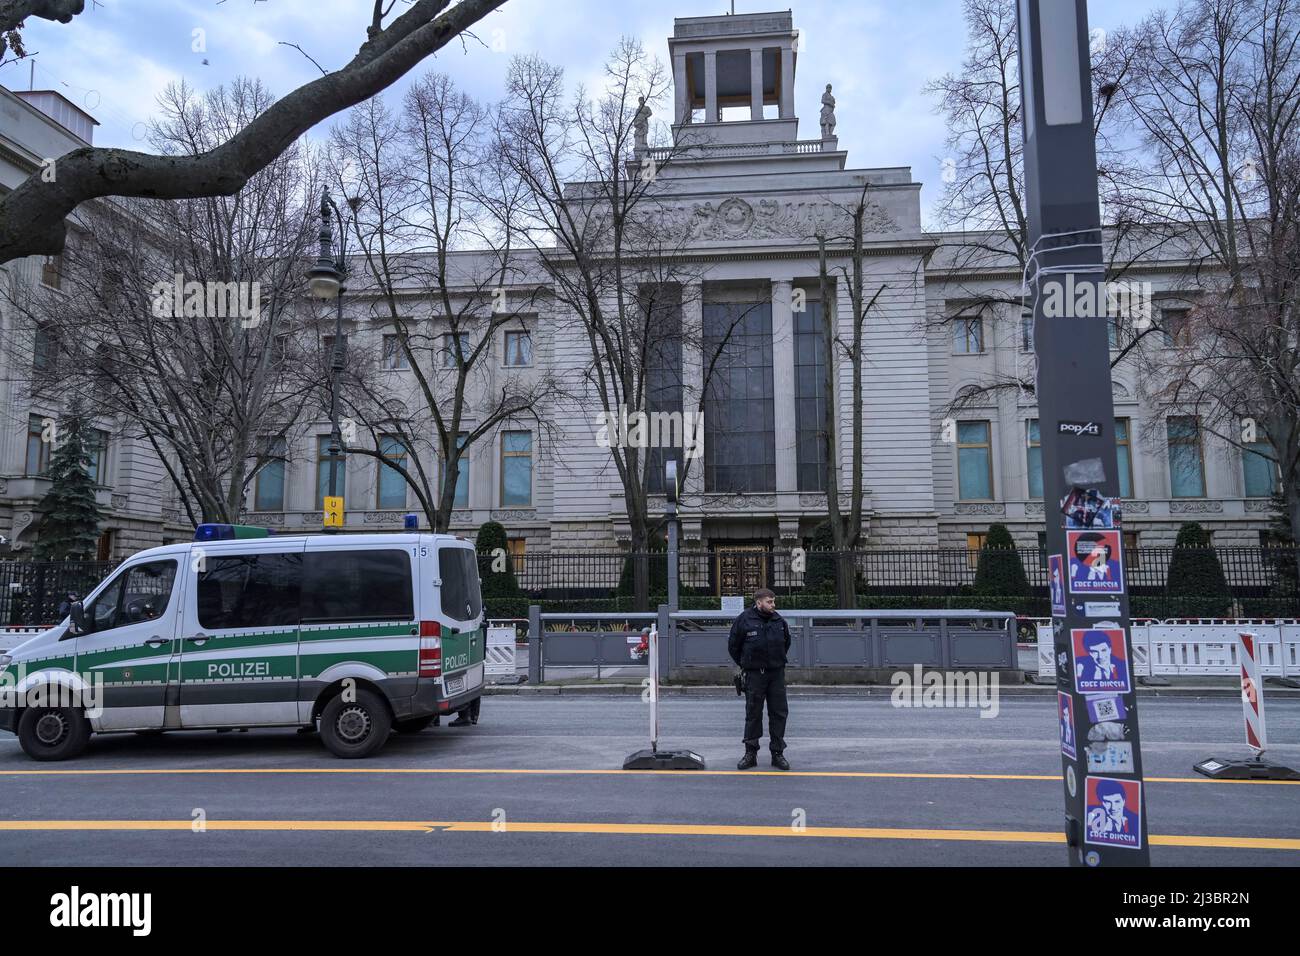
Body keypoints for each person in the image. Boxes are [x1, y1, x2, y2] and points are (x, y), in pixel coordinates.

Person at [728, 587, 791, 771]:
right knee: (753, 713)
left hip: (776, 674)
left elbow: (786, 642)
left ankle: (777, 753)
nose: (773, 605)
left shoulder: (778, 620)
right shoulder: (744, 619)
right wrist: (746, 663)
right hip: (755, 674)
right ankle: (750, 753)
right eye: (769, 602)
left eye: (773, 601)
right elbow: (734, 645)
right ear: (758, 603)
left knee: (779, 713)